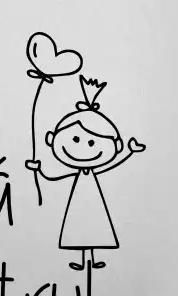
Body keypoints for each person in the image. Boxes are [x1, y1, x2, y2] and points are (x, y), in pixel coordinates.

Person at [27, 81, 144, 270]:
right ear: (51, 139)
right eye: (75, 139)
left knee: (94, 226)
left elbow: (113, 164)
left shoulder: (92, 172)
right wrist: (39, 169)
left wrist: (130, 152)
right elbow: (55, 176)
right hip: (78, 202)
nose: (83, 147)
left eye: (92, 143)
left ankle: (93, 259)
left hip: (94, 202)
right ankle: (83, 261)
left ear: (117, 146)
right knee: (80, 225)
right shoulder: (78, 174)